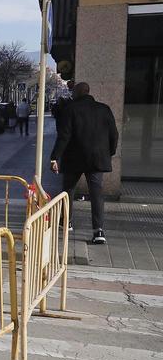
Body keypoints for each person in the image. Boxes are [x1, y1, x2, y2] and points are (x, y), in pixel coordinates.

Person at [50, 82, 118, 245]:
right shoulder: (104, 109)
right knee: (96, 194)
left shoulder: (71, 110)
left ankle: (66, 222)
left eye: (73, 92)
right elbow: (114, 134)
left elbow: (64, 136)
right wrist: (109, 152)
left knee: (68, 191)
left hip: (74, 158)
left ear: (78, 93)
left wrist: (55, 157)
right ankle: (98, 230)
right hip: (97, 158)